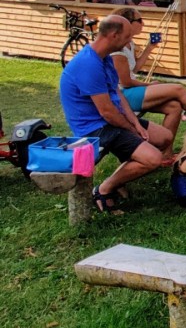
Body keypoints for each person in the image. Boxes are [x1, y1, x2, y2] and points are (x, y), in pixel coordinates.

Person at [59, 14, 173, 213]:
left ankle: (120, 178)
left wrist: (136, 124)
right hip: (96, 128)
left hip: (111, 121)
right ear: (113, 35)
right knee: (153, 158)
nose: (130, 41)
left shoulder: (104, 58)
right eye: (128, 36)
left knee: (165, 137)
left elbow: (117, 94)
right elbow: (107, 112)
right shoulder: (88, 64)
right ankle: (104, 189)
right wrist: (131, 128)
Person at [110, 7, 186, 146]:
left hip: (129, 91)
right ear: (127, 23)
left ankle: (166, 152)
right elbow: (126, 82)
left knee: (174, 107)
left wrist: (149, 48)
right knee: (178, 89)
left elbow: (134, 69)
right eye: (139, 20)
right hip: (122, 96)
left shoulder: (130, 43)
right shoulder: (117, 49)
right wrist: (150, 85)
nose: (143, 24)